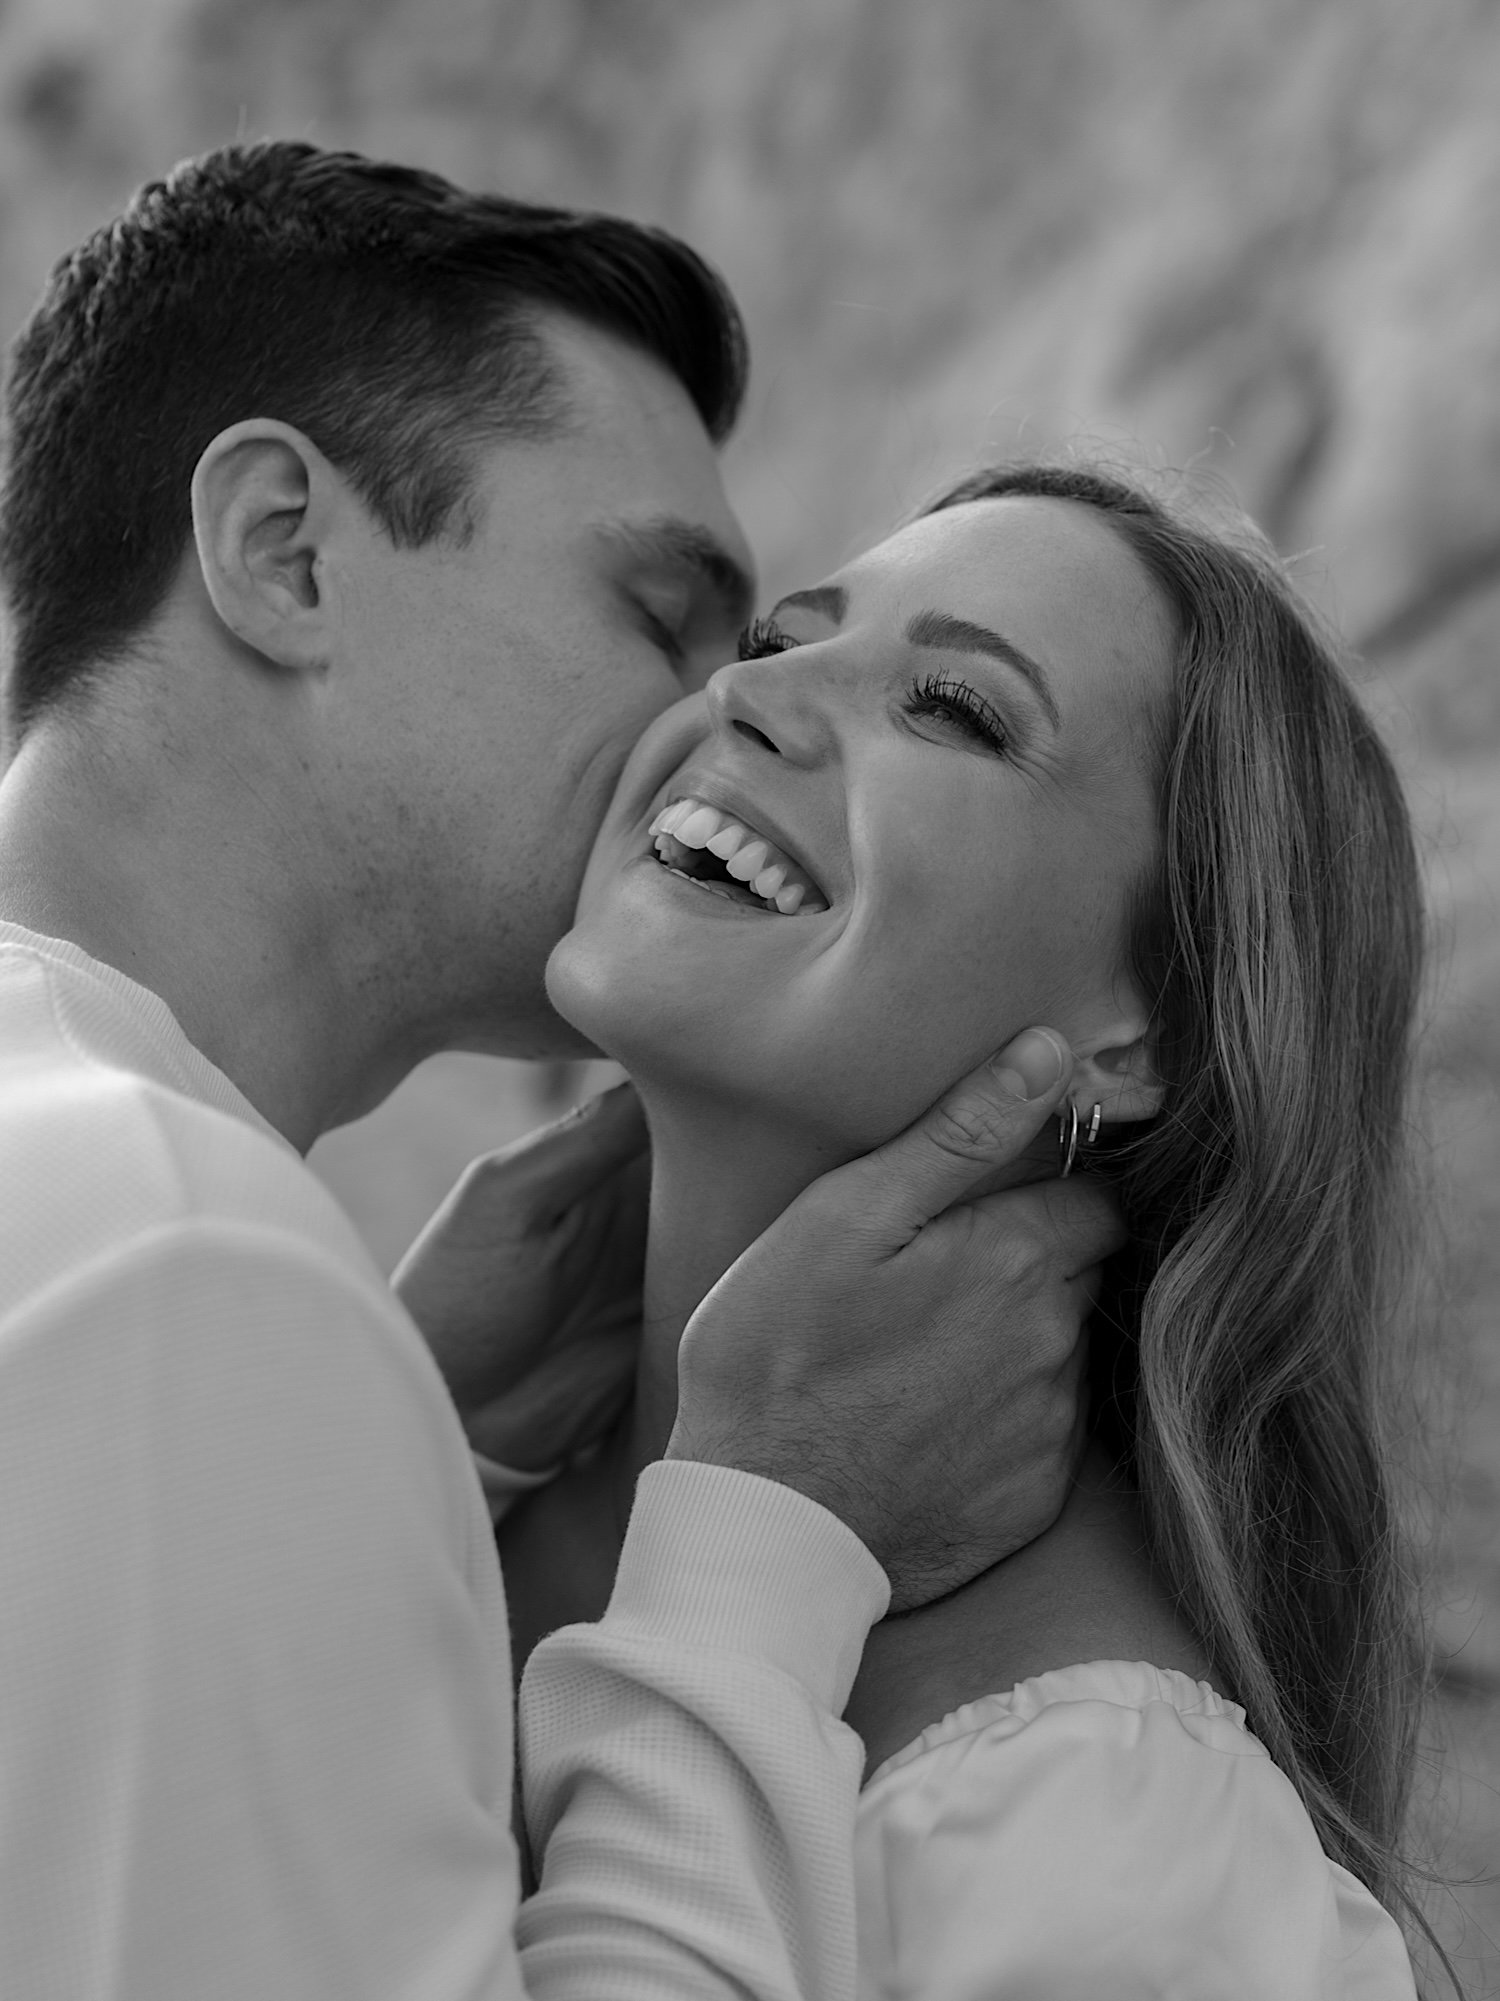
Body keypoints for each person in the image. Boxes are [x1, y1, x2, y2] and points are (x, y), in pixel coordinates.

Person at [0, 143, 1122, 2001]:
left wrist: (407, 1426)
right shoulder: (183, 1272)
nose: (714, 712)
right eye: (659, 613)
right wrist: (765, 1526)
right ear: (284, 550)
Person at [525, 459, 1444, 1997]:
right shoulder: (398, 1447)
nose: (747, 698)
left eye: (953, 706)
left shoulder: (1110, 1858)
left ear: (1140, 1030)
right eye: (773, 640)